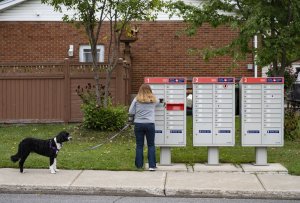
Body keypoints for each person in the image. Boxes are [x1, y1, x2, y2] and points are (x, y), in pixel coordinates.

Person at [128, 84, 161, 171]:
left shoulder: (136, 99)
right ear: (150, 90)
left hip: (138, 124)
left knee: (139, 145)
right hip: (150, 124)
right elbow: (159, 102)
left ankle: (139, 166)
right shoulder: (153, 100)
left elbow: (130, 111)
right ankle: (152, 166)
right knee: (151, 145)